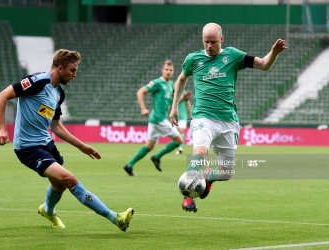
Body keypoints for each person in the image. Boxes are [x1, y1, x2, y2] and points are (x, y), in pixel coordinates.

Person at [0, 49, 134, 231]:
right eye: (72, 70)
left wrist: (82, 146)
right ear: (60, 68)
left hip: (47, 144)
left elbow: (56, 126)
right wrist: (2, 129)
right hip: (28, 148)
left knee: (58, 185)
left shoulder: (58, 93)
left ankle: (47, 210)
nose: (75, 75)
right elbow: (1, 96)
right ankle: (115, 218)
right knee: (69, 179)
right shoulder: (36, 82)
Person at [169, 23, 287, 212]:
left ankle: (208, 178)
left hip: (228, 122)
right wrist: (175, 106)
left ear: (221, 39)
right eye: (206, 42)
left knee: (225, 174)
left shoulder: (233, 56)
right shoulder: (193, 60)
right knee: (200, 152)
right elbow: (181, 79)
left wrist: (274, 52)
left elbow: (264, 65)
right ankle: (188, 196)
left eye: (213, 42)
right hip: (203, 118)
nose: (209, 46)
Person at [123, 60, 192, 176]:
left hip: (155, 120)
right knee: (179, 140)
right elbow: (140, 92)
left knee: (149, 146)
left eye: (170, 70)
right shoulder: (157, 83)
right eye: (166, 70)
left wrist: (183, 99)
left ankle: (129, 165)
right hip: (159, 119)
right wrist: (143, 108)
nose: (168, 72)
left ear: (173, 71)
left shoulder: (170, 85)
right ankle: (157, 157)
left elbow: (170, 102)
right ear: (162, 70)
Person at [175, 90, 192, 155]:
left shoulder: (184, 93)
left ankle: (180, 147)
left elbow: (188, 104)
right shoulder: (172, 93)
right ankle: (177, 146)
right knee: (176, 133)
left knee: (181, 131)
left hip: (182, 116)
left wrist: (191, 114)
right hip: (174, 116)